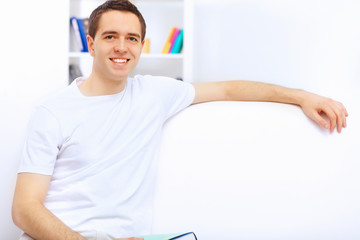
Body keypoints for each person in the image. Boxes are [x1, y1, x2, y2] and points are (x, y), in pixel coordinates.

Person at [12, 0, 348, 239]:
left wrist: (303, 96)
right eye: (110, 36)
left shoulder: (154, 93)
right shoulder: (53, 111)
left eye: (131, 39)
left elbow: (229, 89)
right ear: (91, 43)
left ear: (141, 46)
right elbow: (25, 208)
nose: (121, 47)